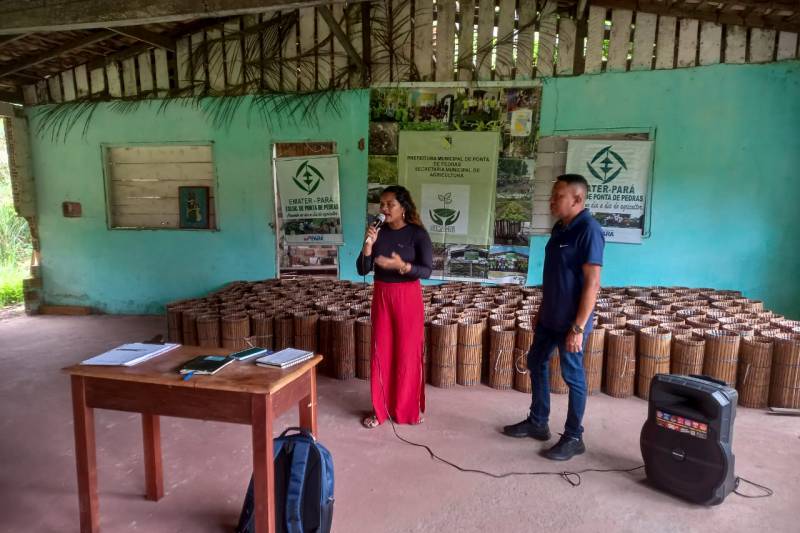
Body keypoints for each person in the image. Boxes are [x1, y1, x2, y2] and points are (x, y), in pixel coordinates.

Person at [503, 174, 604, 461]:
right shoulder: (560, 228)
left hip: (572, 321)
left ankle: (574, 436)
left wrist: (578, 327)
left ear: (577, 199)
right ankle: (538, 422)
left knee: (573, 377)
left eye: (558, 196)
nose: (551, 201)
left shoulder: (589, 229)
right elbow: (556, 276)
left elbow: (593, 283)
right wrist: (541, 308)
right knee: (536, 362)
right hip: (550, 316)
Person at [357, 185, 433, 428]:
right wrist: (368, 246)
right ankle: (380, 409)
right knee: (382, 352)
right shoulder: (377, 232)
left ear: (403, 207)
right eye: (382, 204)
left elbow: (427, 271)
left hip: (408, 297)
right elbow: (362, 269)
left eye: (390, 204)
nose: (384, 208)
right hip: (382, 296)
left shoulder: (417, 234)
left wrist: (403, 267)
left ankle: (407, 409)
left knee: (408, 353)